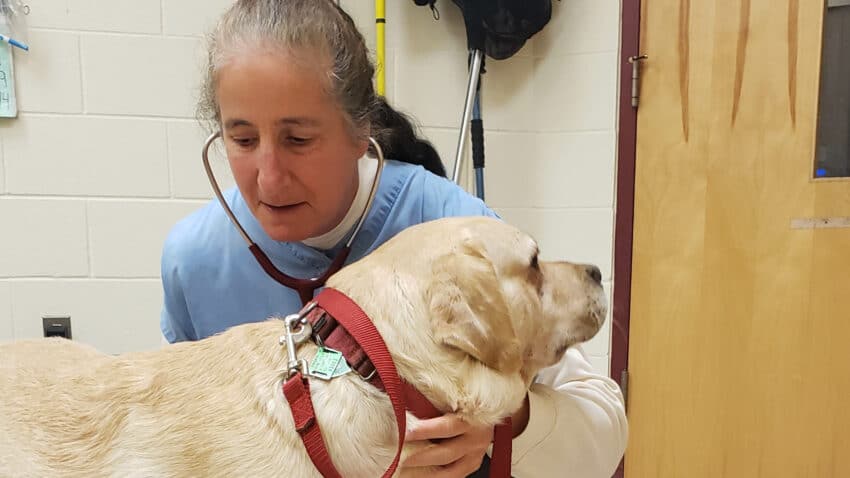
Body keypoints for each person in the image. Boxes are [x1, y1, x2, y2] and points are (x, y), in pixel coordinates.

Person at [159, 0, 628, 476]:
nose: (269, 179)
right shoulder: (195, 262)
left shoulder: (452, 229)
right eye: (241, 140)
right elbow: (182, 436)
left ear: (361, 130)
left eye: (298, 139)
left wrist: (500, 427)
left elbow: (602, 432)